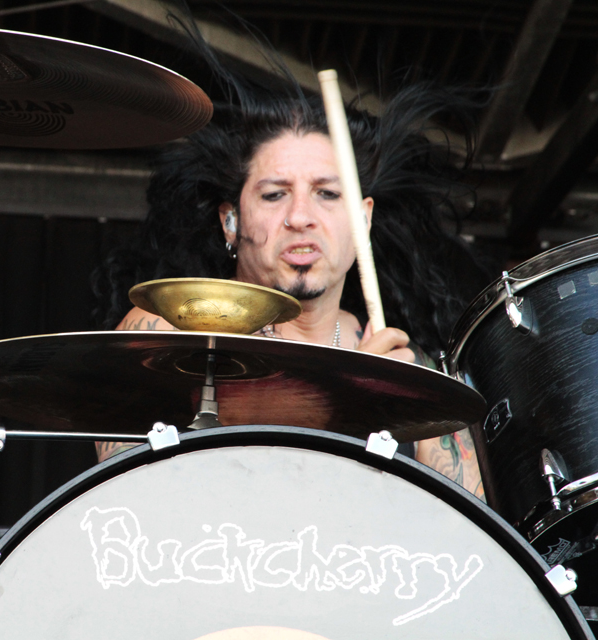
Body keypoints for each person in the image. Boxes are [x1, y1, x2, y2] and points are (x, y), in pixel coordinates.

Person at [93, 71, 490, 500]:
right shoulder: (170, 328)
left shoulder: (411, 372)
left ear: (363, 219)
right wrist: (344, 408)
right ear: (231, 221)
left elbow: (462, 536)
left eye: (327, 194)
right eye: (274, 195)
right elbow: (125, 510)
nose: (300, 216)